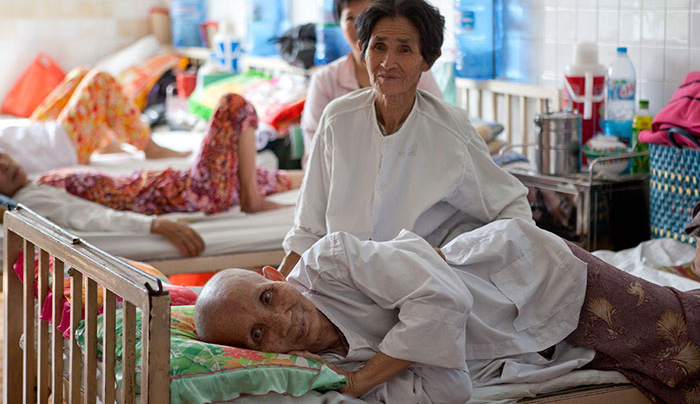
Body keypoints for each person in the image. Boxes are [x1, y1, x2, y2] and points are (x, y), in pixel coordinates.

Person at [196, 219, 700, 403]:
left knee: (683, 335)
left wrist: (371, 376)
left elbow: (448, 299)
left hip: (533, 280)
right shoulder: (328, 372)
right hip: (530, 344)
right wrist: (378, 371)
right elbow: (452, 389)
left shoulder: (333, 261)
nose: (282, 321)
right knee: (656, 375)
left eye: (268, 299)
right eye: (260, 336)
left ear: (274, 276)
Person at [279, 0, 532, 276]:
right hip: (343, 285)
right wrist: (279, 284)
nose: (388, 62)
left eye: (404, 49)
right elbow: (308, 228)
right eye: (379, 47)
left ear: (429, 60)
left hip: (420, 284)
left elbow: (513, 210)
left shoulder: (450, 132)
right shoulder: (338, 120)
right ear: (363, 50)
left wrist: (455, 257)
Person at [0, 93, 304, 257]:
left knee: (273, 176)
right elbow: (90, 217)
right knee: (234, 105)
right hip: (190, 193)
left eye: (1, 158)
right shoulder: (32, 199)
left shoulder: (37, 180)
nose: (6, 165)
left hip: (183, 184)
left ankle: (298, 182)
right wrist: (155, 225)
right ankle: (253, 200)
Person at [300, 0, 443, 164]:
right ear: (339, 24)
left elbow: (437, 131)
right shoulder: (326, 83)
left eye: (367, 14)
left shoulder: (415, 72)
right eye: (351, 18)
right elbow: (315, 153)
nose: (360, 26)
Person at [3, 67, 187, 176]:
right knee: (100, 80)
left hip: (33, 134)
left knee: (81, 74)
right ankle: (149, 147)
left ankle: (101, 141)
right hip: (62, 146)